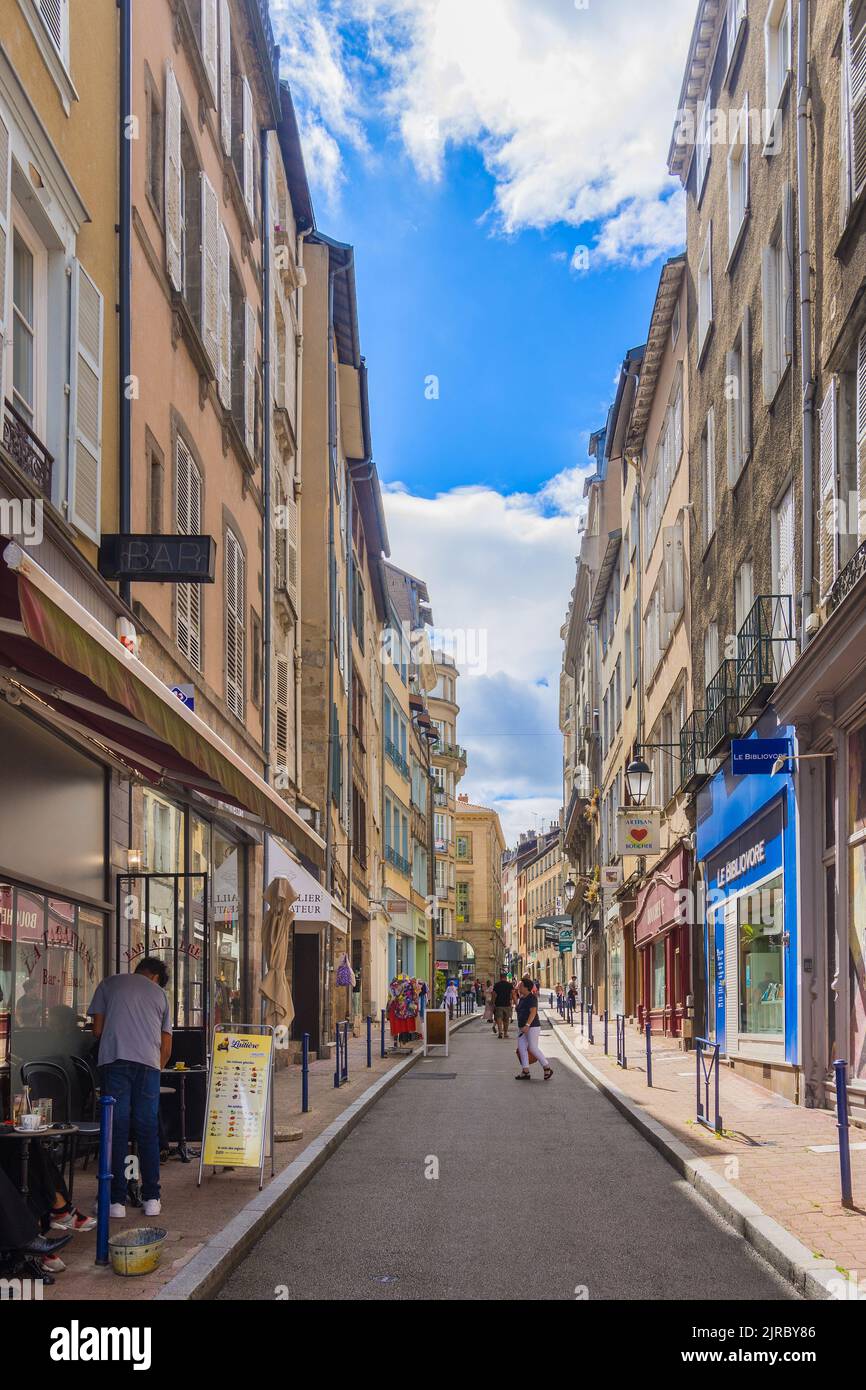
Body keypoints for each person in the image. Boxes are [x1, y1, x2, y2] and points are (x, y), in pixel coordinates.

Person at [88, 956, 172, 1219]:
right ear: (156, 977)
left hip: (115, 1060)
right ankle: (152, 1199)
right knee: (147, 1129)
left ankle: (116, 1202)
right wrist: (154, 1067)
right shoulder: (160, 994)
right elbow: (166, 1043)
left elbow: (97, 1031)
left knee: (117, 1128)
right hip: (148, 1064)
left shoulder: (109, 983)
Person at [514, 977, 553, 1081]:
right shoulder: (522, 998)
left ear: (526, 988)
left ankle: (547, 1067)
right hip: (522, 1027)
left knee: (532, 1048)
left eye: (521, 986)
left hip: (532, 1027)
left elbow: (533, 1012)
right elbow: (518, 1010)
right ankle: (525, 1071)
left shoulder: (531, 998)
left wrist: (527, 1025)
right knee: (522, 1048)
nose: (519, 987)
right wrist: (514, 998)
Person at [491, 971, 513, 1039]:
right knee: (506, 1020)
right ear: (506, 977)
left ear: (500, 977)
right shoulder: (509, 985)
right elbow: (512, 994)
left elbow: (494, 994)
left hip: (499, 1004)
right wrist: (511, 1000)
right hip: (507, 1004)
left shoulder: (496, 985)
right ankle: (505, 1033)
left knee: (499, 1018)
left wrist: (493, 1002)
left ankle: (500, 1032)